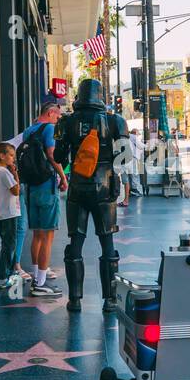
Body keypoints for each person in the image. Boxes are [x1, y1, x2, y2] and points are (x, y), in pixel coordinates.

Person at [54, 78, 128, 312]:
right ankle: (110, 300)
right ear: (101, 95)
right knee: (107, 243)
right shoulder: (116, 121)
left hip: (78, 186)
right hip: (105, 187)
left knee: (75, 242)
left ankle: (74, 299)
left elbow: (58, 157)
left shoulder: (67, 121)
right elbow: (125, 158)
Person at [14, 100, 67, 296]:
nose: (59, 119)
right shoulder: (49, 129)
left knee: (37, 234)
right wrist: (63, 177)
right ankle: (41, 283)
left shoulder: (29, 131)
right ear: (51, 113)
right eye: (58, 116)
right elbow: (52, 154)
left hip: (31, 189)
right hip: (46, 187)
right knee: (48, 235)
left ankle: (37, 275)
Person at [0, 142, 20, 289]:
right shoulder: (4, 172)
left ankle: (10, 273)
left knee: (8, 244)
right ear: (2, 156)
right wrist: (15, 173)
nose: (13, 159)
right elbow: (16, 190)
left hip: (4, 214)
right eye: (10, 155)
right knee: (9, 245)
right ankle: (3, 277)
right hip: (8, 214)